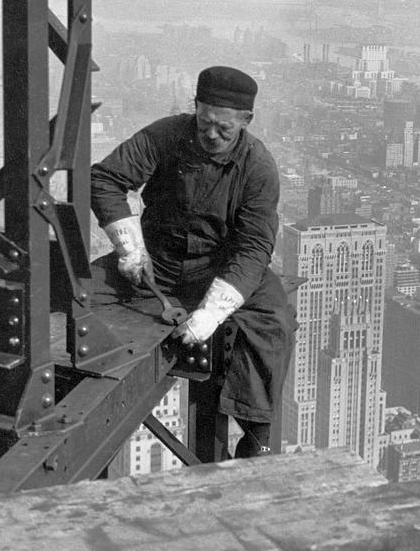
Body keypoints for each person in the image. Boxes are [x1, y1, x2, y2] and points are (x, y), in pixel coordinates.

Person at [91, 66, 296, 459]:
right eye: (204, 123)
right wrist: (130, 248)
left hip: (219, 269)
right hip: (157, 261)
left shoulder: (258, 167)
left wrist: (211, 314)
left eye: (224, 128)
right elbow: (106, 179)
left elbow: (253, 248)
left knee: (274, 320)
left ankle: (256, 434)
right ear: (195, 108)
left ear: (246, 122)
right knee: (78, 292)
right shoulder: (165, 135)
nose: (211, 135)